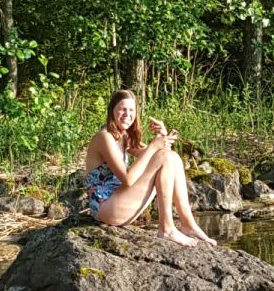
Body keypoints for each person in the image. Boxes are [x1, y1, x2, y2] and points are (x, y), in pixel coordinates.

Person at [85, 89, 216, 247]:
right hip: (105, 207)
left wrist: (162, 135)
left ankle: (188, 224)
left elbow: (160, 157)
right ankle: (166, 229)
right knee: (164, 157)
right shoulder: (104, 137)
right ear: (112, 110)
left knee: (172, 157)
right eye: (122, 109)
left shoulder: (122, 135)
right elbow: (128, 180)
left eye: (131, 110)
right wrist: (154, 146)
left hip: (120, 202)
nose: (127, 114)